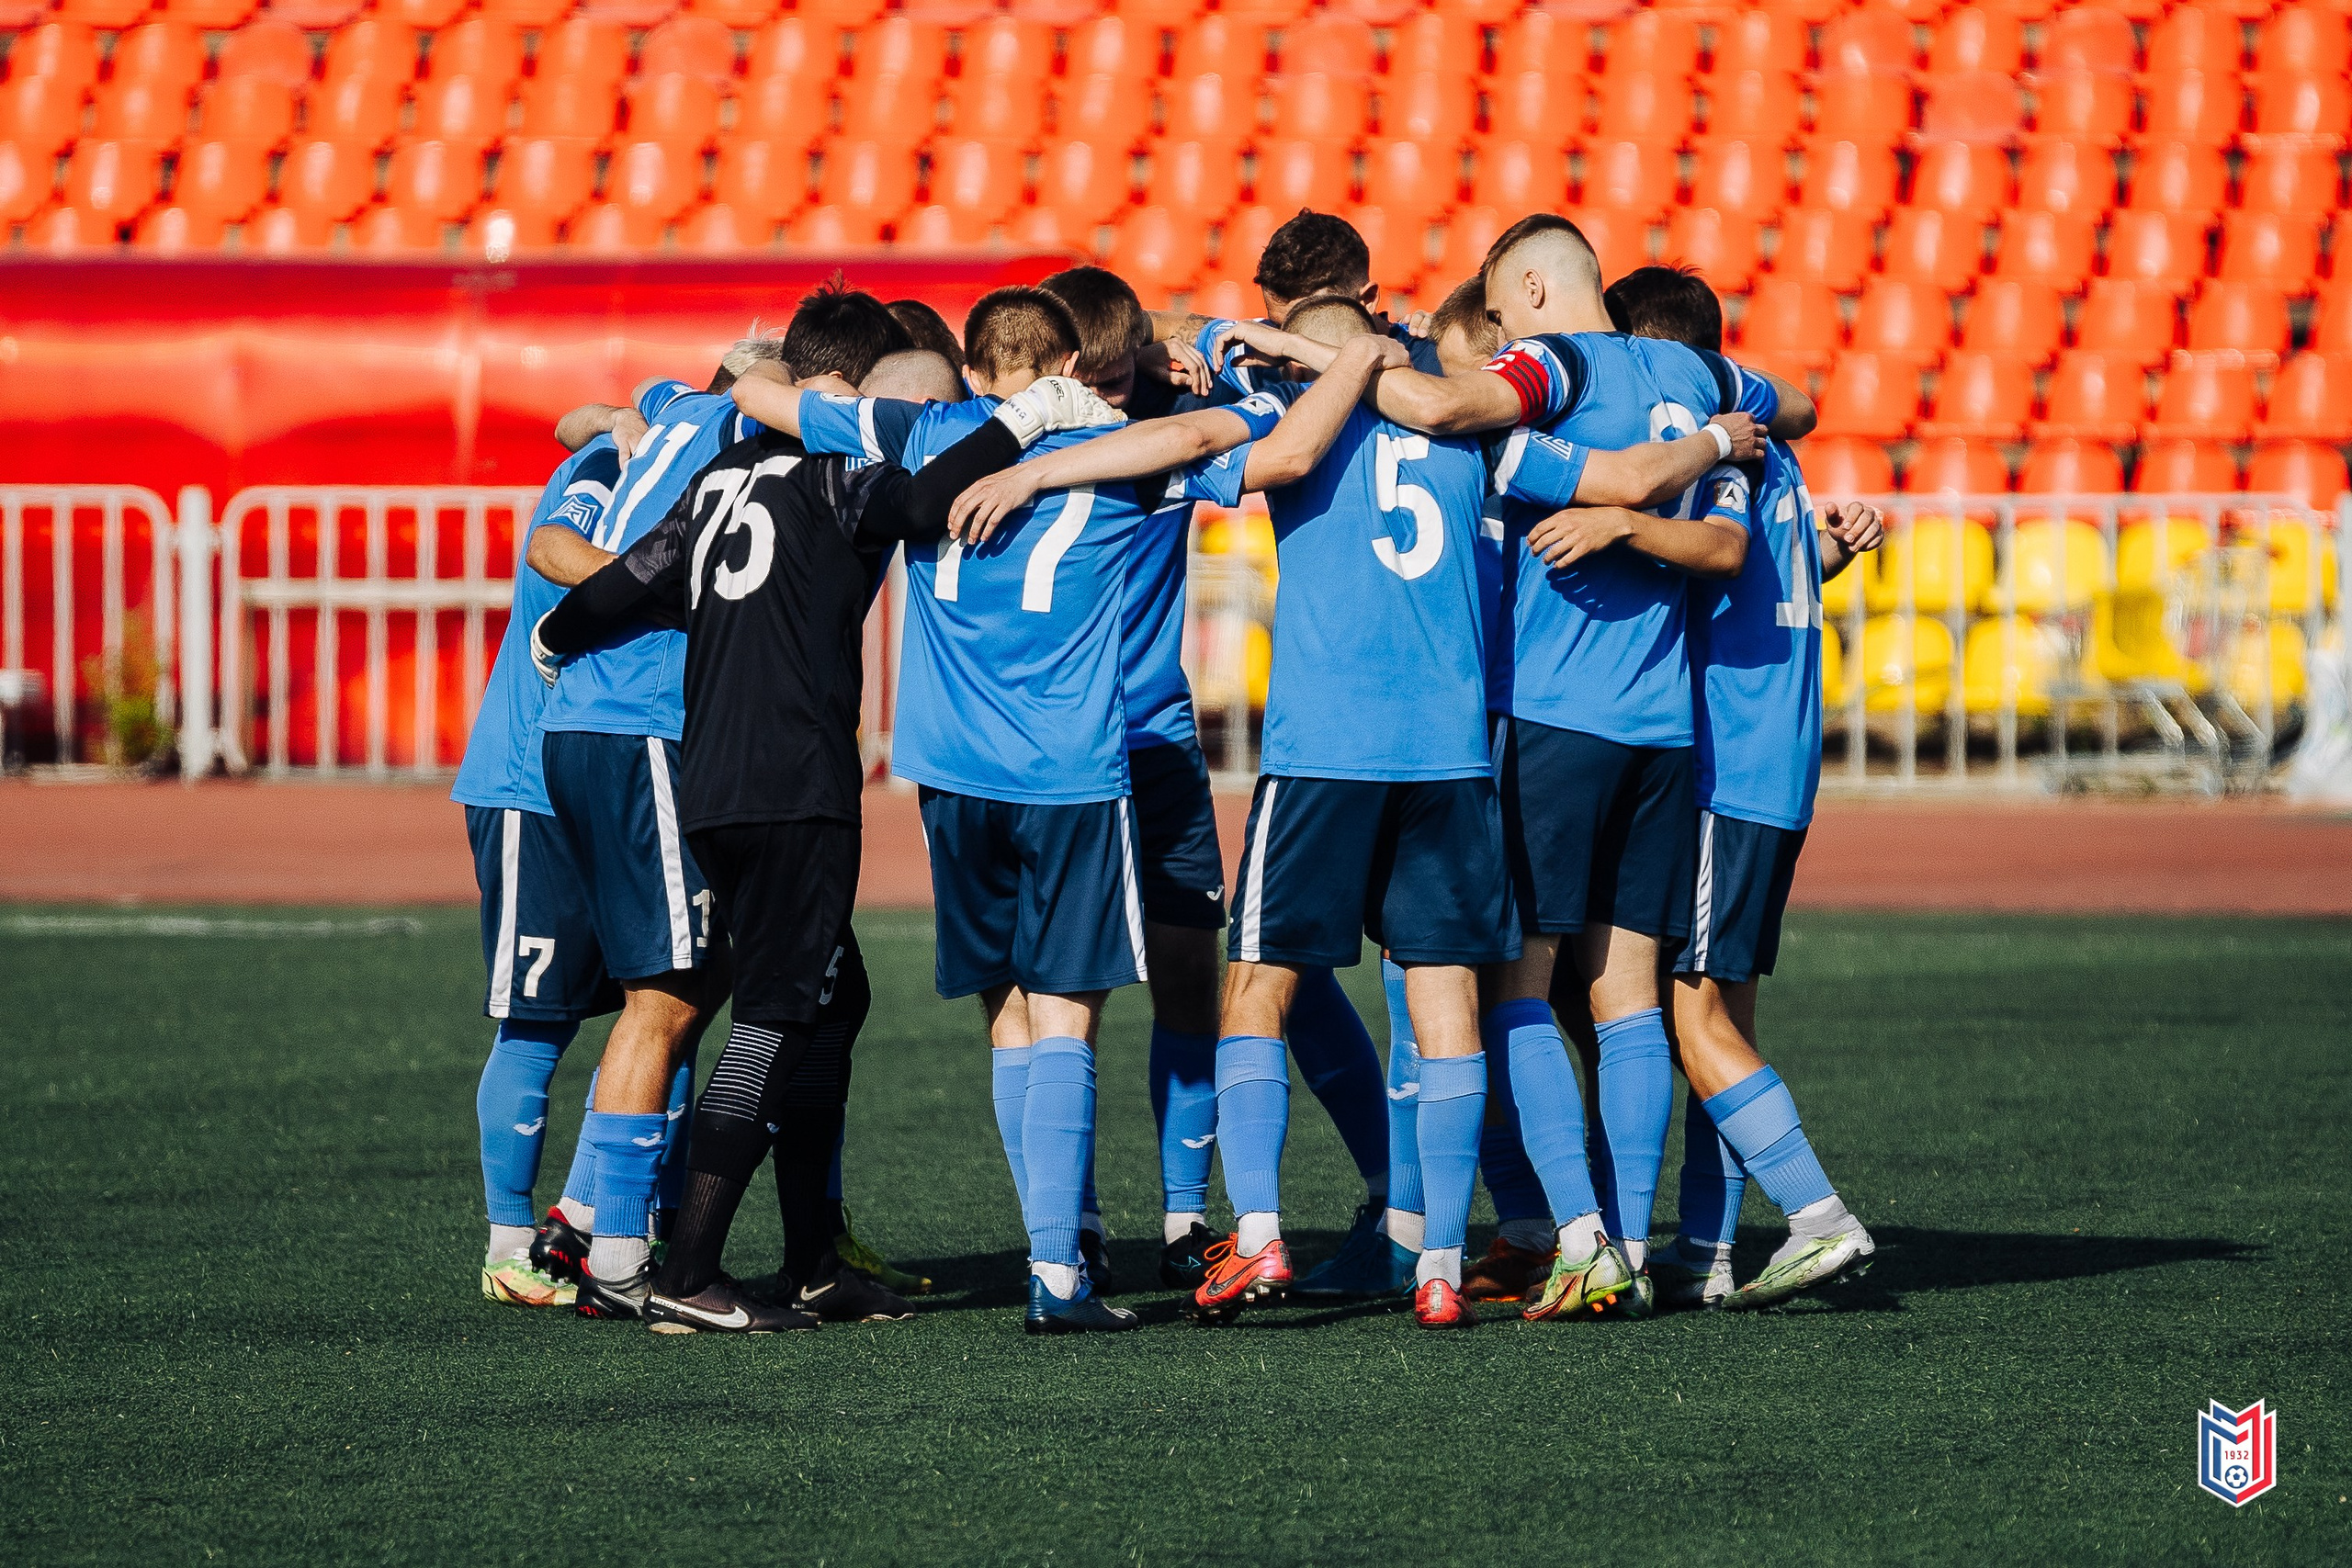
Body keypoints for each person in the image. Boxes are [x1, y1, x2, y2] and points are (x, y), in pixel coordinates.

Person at [1244, 214, 1809, 1321]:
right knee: (1626, 1001)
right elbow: (1785, 419)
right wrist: (1714, 443)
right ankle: (1628, 1241)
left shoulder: (1517, 411)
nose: (1498, 357)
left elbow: (1439, 407)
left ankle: (1518, 1231)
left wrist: (1319, 351)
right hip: (1662, 731)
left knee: (1468, 992)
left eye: (1499, 329)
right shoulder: (1696, 378)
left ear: (1533, 300)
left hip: (1524, 724)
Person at [739, 288, 1276, 1332]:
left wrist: (662, 405)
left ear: (976, 373)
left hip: (949, 773)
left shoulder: (923, 431)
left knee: (1009, 1018)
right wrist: (1194, 356)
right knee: (1071, 1014)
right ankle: (1061, 1271)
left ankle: (1061, 1242)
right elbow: (1253, 438)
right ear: (1071, 367)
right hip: (1067, 771)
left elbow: (765, 395)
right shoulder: (1125, 454)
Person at [533, 367, 1111, 1333]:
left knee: (834, 997)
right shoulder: (833, 473)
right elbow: (924, 503)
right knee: (774, 1016)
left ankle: (811, 1261)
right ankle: (688, 1272)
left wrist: (559, 629)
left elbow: (634, 575)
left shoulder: (719, 479)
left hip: (712, 783)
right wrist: (1027, 417)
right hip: (793, 786)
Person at [1035, 265, 1396, 1292]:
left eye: (1123, 366)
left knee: (1203, 982)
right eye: (1097, 371)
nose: (1112, 385)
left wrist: (1173, 342)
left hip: (1152, 740)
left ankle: (1185, 1219)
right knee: (1056, 1003)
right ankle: (1070, 1228)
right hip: (1057, 758)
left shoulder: (1169, 414)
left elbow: (1209, 361)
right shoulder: (1017, 435)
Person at [1600, 265, 1885, 1311]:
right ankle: (1706, 1247)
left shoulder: (1721, 450)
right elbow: (1773, 576)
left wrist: (1619, 525)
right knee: (1724, 1017)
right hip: (1776, 767)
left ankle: (1816, 1215)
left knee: (1692, 1020)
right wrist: (1834, 551)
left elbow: (1716, 559)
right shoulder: (1776, 457)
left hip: (1728, 765)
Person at [452, 430, 624, 1310]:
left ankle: (591, 1223)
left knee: (666, 1002)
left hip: (617, 781)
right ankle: (510, 1246)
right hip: (532, 786)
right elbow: (553, 552)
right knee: (536, 1022)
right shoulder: (610, 463)